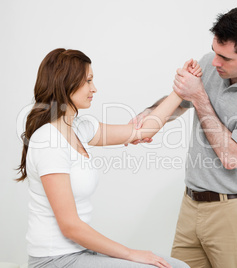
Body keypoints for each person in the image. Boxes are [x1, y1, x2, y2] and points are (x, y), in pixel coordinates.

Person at [130, 6, 237, 268]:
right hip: (190, 206)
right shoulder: (211, 63)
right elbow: (180, 103)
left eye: (225, 58)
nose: (215, 62)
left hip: (234, 214)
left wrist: (200, 96)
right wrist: (147, 117)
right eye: (215, 52)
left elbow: (232, 157)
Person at [16, 48, 202, 268]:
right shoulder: (48, 141)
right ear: (66, 83)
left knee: (180, 266)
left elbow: (142, 131)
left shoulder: (80, 128)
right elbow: (70, 226)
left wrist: (181, 89)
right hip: (55, 260)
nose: (94, 88)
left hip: (81, 252)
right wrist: (131, 254)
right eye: (88, 81)